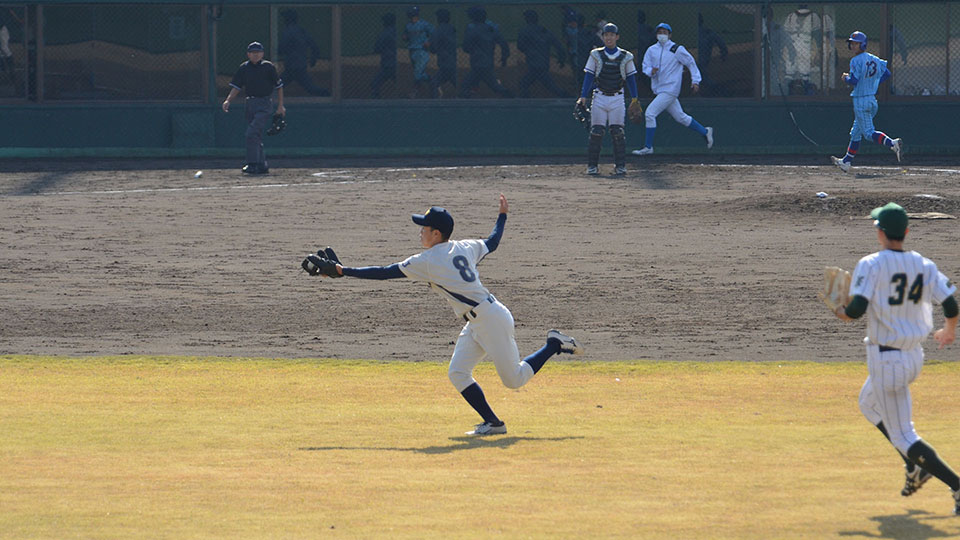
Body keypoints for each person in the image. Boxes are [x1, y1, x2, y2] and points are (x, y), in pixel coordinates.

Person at [302, 195, 583, 436]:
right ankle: (493, 423)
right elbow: (493, 242)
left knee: (514, 380)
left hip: (491, 320)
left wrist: (343, 271)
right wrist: (502, 216)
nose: (420, 232)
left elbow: (385, 272)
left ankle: (553, 344)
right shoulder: (464, 246)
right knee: (458, 373)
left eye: (424, 228)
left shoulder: (428, 261)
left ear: (436, 234)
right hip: (480, 319)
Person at [832, 202, 960, 515]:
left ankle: (954, 484)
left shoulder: (871, 263)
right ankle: (914, 465)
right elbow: (951, 303)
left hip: (886, 360)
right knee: (867, 402)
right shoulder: (923, 264)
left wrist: (839, 310)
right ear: (906, 231)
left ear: (880, 232)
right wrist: (948, 331)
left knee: (904, 435)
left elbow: (856, 310)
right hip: (913, 356)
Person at [631, 23, 713, 156]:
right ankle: (705, 132)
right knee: (681, 117)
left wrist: (696, 80)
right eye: (660, 32)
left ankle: (648, 147)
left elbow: (691, 63)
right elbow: (645, 66)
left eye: (665, 32)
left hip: (670, 89)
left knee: (650, 113)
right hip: (659, 89)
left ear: (670, 35)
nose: (662, 35)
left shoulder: (677, 49)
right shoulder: (651, 50)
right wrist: (650, 71)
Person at [831, 31, 902, 173]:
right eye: (852, 43)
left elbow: (854, 81)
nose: (852, 45)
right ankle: (846, 162)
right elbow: (887, 73)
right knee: (855, 133)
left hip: (861, 101)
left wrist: (845, 78)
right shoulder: (874, 58)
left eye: (855, 43)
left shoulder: (855, 61)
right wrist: (874, 83)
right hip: (871, 100)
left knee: (869, 133)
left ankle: (892, 143)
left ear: (862, 44)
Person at [577, 23, 639, 176]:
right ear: (602, 37)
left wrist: (635, 99)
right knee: (596, 132)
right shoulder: (596, 54)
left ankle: (620, 167)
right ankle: (592, 166)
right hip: (599, 96)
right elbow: (589, 76)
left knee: (617, 132)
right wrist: (583, 96)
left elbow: (631, 79)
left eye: (612, 35)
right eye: (606, 35)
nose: (609, 37)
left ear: (617, 37)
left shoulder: (626, 56)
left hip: (617, 97)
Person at [222, 42, 285, 175]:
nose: (255, 54)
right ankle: (262, 165)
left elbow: (279, 87)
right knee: (255, 135)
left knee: (251, 133)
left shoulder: (268, 67)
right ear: (248, 54)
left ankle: (252, 164)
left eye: (258, 52)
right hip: (250, 103)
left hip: (264, 103)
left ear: (262, 53)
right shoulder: (244, 68)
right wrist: (228, 100)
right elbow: (236, 87)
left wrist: (280, 106)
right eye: (252, 52)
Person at [459, 6, 512, 98]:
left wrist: (472, 47)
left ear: (474, 17)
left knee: (465, 87)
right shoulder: (491, 29)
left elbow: (465, 47)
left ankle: (508, 95)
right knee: (491, 85)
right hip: (488, 62)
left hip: (477, 63)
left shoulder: (472, 29)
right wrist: (504, 56)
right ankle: (508, 94)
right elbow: (503, 43)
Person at [516, 9, 567, 98]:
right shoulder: (544, 30)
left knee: (526, 83)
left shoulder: (524, 31)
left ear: (527, 19)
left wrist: (529, 49)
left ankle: (566, 96)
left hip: (533, 62)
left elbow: (520, 46)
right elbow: (559, 46)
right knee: (543, 83)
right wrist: (561, 59)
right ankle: (565, 95)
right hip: (544, 61)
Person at [277, 10, 327, 96]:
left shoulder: (288, 31)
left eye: (285, 18)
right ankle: (326, 94)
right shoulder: (301, 30)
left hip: (292, 65)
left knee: (278, 86)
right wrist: (313, 58)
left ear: (288, 19)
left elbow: (281, 48)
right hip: (300, 64)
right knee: (309, 86)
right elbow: (314, 46)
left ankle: (326, 94)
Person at [403, 6, 434, 98]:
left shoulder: (424, 24)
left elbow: (434, 33)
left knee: (417, 73)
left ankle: (415, 91)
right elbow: (405, 36)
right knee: (420, 73)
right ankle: (434, 82)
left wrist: (429, 41)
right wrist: (404, 37)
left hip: (422, 51)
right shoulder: (408, 25)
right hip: (412, 51)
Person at [696, 13, 728, 97]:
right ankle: (713, 89)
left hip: (699, 58)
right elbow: (721, 42)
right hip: (704, 58)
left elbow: (720, 42)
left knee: (701, 75)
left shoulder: (703, 32)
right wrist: (724, 53)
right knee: (701, 74)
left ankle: (715, 89)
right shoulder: (708, 31)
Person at [429, 8, 457, 97]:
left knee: (434, 83)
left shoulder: (437, 30)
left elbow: (433, 49)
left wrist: (428, 45)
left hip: (444, 63)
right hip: (452, 61)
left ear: (439, 18)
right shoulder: (452, 28)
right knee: (457, 83)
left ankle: (435, 103)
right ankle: (463, 97)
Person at [371, 12, 398, 99]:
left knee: (375, 83)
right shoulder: (394, 30)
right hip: (392, 60)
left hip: (387, 62)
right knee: (393, 79)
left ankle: (376, 98)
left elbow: (377, 48)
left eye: (384, 21)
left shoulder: (385, 33)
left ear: (386, 22)